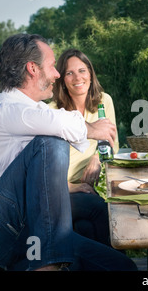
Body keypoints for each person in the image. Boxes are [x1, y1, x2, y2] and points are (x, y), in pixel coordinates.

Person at [0, 34, 137, 271]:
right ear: (32, 69)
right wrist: (94, 129)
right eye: (53, 66)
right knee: (51, 142)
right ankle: (49, 264)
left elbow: (58, 121)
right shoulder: (3, 111)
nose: (57, 74)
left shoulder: (37, 112)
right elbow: (60, 124)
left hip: (25, 231)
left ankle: (53, 255)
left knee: (121, 267)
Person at [49, 48, 118, 246]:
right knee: (100, 210)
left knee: (85, 229)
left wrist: (97, 158)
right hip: (58, 189)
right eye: (69, 73)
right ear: (62, 79)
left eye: (82, 70)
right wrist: (74, 187)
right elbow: (43, 168)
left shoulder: (104, 101)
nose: (77, 77)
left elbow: (113, 142)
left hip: (85, 188)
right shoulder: (51, 112)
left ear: (90, 73)